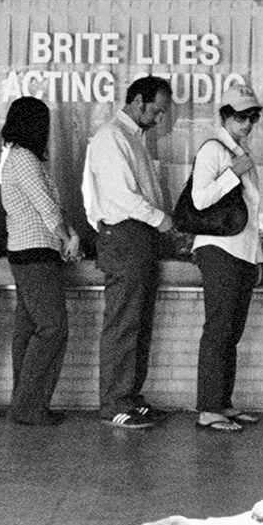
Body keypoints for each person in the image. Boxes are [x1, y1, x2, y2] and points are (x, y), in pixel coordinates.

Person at [82, 75, 175, 430]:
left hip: (140, 236)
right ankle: (114, 403)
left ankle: (131, 397)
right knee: (123, 321)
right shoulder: (112, 137)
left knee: (139, 321)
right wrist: (161, 219)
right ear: (137, 100)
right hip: (124, 235)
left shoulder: (134, 139)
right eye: (156, 110)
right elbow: (122, 197)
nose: (159, 118)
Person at [190, 84, 263, 433]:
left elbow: (251, 214)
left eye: (252, 116)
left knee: (231, 331)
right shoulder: (214, 150)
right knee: (218, 329)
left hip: (242, 251)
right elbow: (200, 200)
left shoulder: (240, 151)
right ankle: (208, 408)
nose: (248, 122)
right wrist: (233, 172)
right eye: (240, 116)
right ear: (224, 115)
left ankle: (223, 403)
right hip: (218, 249)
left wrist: (259, 256)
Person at [0, 95, 79, 427]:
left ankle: (24, 402)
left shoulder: (26, 159)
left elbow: (52, 206)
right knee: (53, 328)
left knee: (29, 328)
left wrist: (68, 234)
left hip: (30, 251)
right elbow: (47, 207)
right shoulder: (24, 160)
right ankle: (29, 405)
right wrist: (67, 238)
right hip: (34, 253)